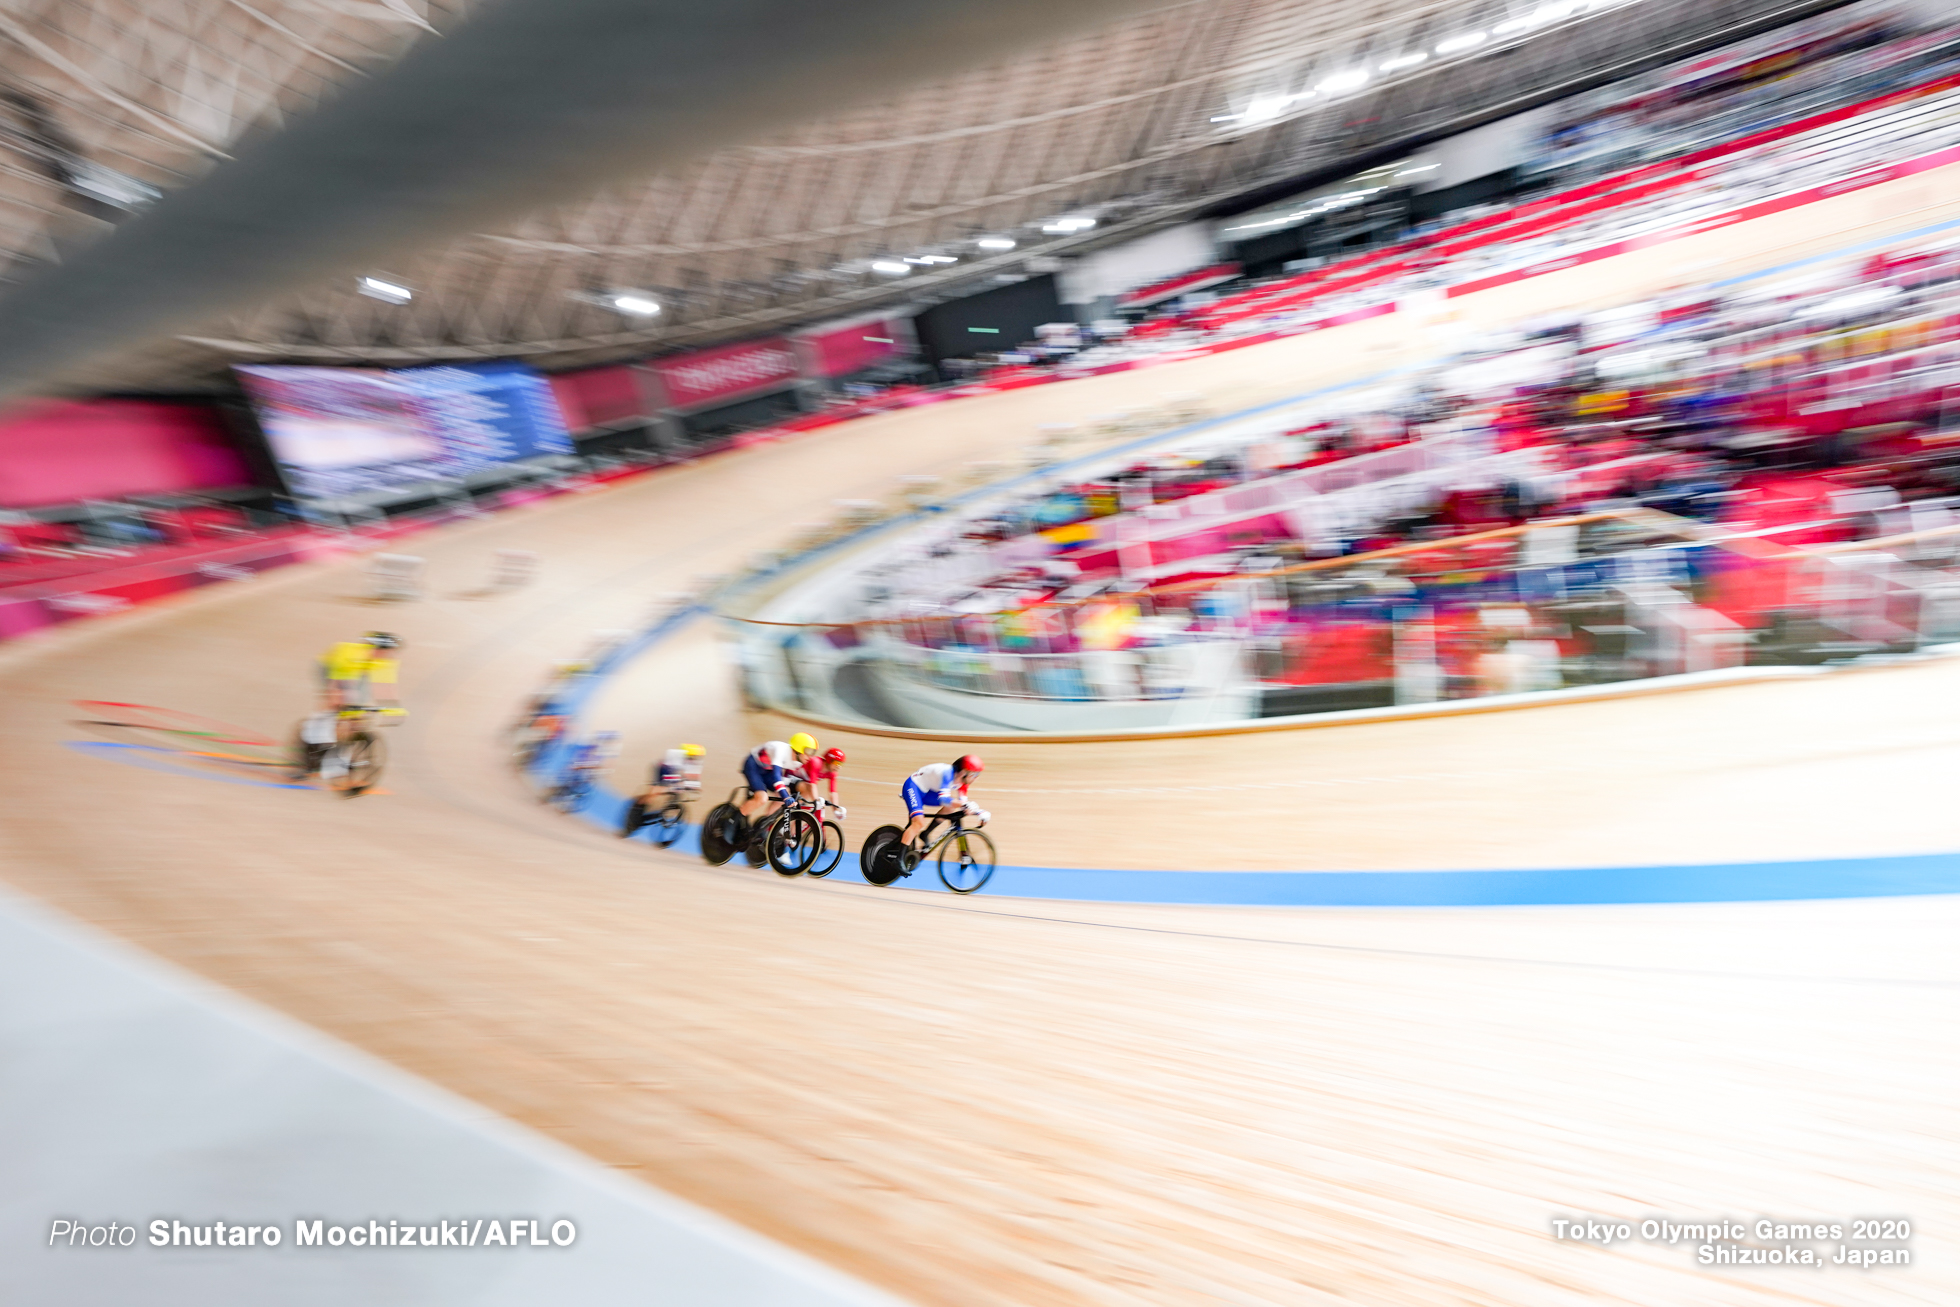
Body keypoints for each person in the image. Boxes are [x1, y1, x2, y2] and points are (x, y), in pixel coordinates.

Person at [899, 754, 987, 852]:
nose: (976, 778)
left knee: (950, 808)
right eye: (974, 774)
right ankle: (899, 858)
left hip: (928, 792)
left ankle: (926, 834)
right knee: (919, 822)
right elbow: (944, 800)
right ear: (963, 772)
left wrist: (979, 812)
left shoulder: (963, 783)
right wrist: (965, 805)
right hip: (913, 787)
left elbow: (964, 806)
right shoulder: (947, 773)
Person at [623, 743, 705, 836]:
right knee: (656, 792)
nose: (693, 760)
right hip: (662, 770)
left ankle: (665, 810)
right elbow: (670, 776)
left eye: (695, 758)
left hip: (674, 774)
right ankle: (638, 809)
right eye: (691, 757)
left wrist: (694, 788)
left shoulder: (695, 763)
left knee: (676, 792)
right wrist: (675, 786)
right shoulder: (675, 756)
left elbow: (693, 777)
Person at [738, 733, 819, 825]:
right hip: (754, 766)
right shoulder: (781, 750)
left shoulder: (799, 762)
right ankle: (734, 820)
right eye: (808, 751)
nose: (811, 756)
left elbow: (788, 778)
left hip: (768, 770)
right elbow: (777, 777)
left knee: (785, 791)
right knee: (762, 798)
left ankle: (765, 824)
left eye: (813, 752)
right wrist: (786, 797)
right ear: (798, 748)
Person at [318, 632, 402, 713]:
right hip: (333, 666)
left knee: (361, 700)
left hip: (358, 670)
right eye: (384, 653)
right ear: (374, 649)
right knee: (338, 700)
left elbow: (386, 686)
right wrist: (336, 697)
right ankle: (321, 720)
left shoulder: (387, 661)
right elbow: (336, 681)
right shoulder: (351, 654)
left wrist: (393, 708)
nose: (387, 656)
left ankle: (352, 720)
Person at [792, 746, 848, 821]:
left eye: (840, 764)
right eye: (837, 763)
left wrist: (836, 810)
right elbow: (812, 785)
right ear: (829, 760)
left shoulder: (832, 773)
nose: (838, 767)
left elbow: (833, 792)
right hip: (792, 779)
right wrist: (816, 801)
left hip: (802, 785)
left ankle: (792, 831)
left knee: (799, 817)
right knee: (807, 790)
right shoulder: (816, 763)